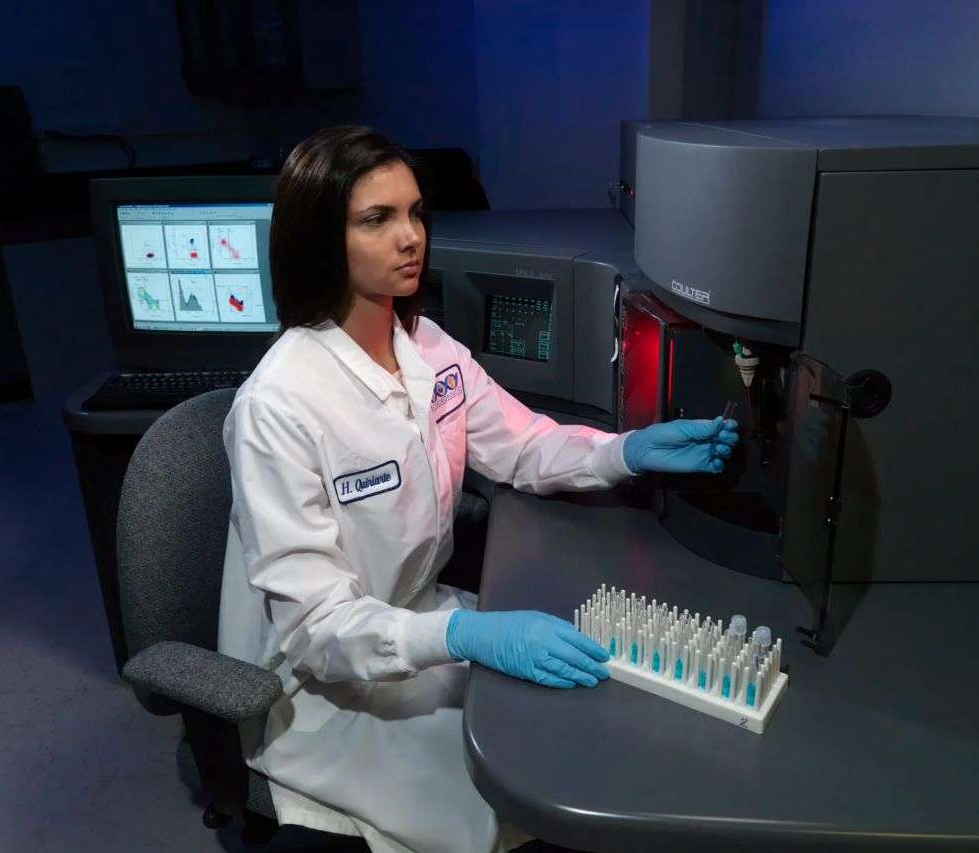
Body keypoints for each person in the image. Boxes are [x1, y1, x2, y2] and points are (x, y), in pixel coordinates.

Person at [217, 125, 740, 853]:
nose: (410, 238)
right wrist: (463, 635)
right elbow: (315, 630)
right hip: (328, 685)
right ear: (318, 239)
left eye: (415, 213)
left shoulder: (429, 348)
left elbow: (522, 445)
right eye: (377, 219)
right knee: (512, 800)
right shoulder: (278, 406)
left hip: (424, 621)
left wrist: (626, 451)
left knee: (586, 728)